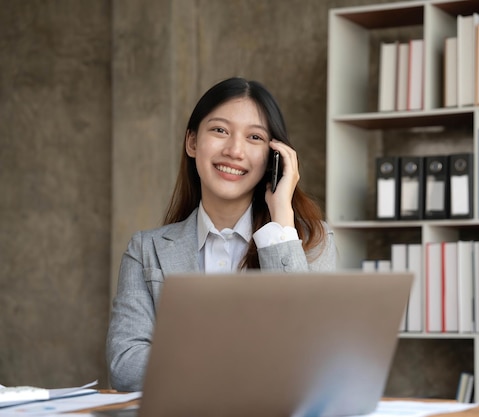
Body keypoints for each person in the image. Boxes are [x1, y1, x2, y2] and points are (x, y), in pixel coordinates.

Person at [106, 77, 336, 392]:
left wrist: (282, 222)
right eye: (219, 130)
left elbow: (310, 361)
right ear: (192, 142)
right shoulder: (146, 249)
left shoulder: (312, 243)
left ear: (275, 158)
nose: (234, 150)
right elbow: (126, 367)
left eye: (254, 137)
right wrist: (246, 361)